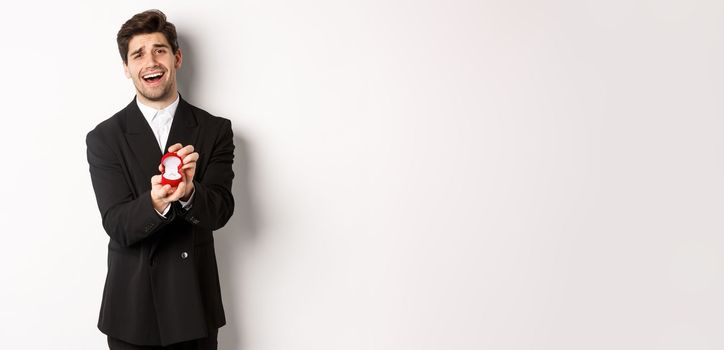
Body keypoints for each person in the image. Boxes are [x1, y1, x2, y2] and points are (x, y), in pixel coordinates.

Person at [86, 9, 235, 349]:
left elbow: (222, 212)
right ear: (126, 68)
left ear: (177, 58)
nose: (150, 61)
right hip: (132, 312)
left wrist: (189, 194)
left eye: (160, 50)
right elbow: (117, 224)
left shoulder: (215, 130)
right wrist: (155, 202)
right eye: (138, 54)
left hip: (193, 307)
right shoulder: (104, 138)